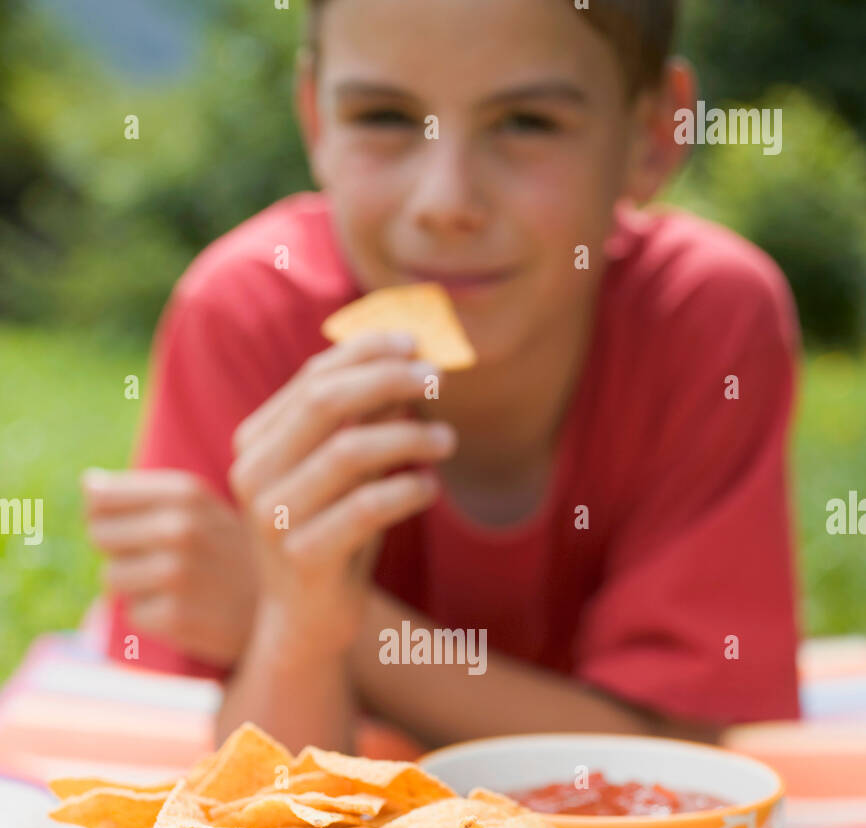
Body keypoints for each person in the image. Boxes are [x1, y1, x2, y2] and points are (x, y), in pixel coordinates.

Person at [84, 0, 801, 758]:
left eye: (527, 122)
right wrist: (298, 632)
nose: (445, 204)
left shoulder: (708, 317)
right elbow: (267, 800)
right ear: (316, 122)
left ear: (655, 136)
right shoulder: (246, 314)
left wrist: (316, 612)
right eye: (385, 116)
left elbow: (671, 768)